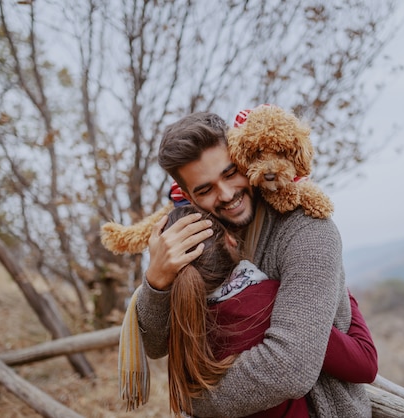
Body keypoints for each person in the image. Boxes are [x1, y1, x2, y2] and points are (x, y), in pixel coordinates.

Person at [137, 110, 373, 417]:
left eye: (230, 172)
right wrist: (156, 280)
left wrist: (192, 401)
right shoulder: (197, 237)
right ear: (190, 198)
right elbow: (155, 345)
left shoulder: (306, 230)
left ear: (244, 158)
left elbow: (291, 368)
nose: (226, 195)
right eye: (205, 189)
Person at [164, 204, 377, 417]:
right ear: (230, 239)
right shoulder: (274, 303)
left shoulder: (182, 321)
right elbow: (364, 364)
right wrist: (337, 288)